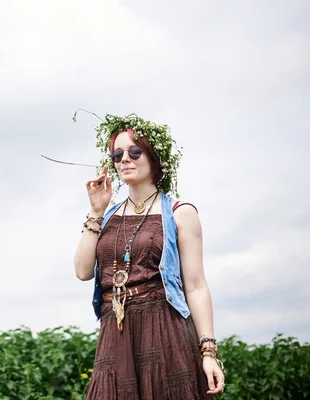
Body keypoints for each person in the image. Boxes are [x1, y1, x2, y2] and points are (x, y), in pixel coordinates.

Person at [74, 113, 225, 399]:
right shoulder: (107, 216)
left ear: (154, 156)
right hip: (115, 330)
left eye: (134, 151)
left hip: (163, 328)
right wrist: (95, 212)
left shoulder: (180, 212)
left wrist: (208, 351)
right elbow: (83, 271)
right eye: (117, 155)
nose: (124, 160)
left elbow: (195, 284)